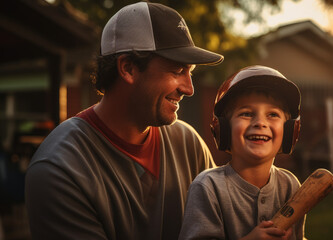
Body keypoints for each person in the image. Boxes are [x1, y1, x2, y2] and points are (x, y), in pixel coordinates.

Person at [25, 2, 223, 240]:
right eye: (177, 70)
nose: (189, 89)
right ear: (128, 68)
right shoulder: (60, 169)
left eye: (190, 72)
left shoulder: (189, 144)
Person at [179, 65, 306, 240]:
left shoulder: (290, 186)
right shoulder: (208, 187)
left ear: (290, 131)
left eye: (273, 115)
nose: (260, 122)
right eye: (246, 113)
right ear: (223, 128)